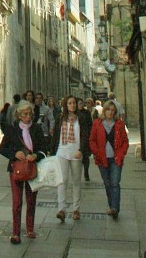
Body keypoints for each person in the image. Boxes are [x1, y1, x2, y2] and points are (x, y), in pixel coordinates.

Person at [0, 99, 49, 244]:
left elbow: (44, 149)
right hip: (16, 169)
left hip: (32, 169)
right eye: (25, 114)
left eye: (30, 114)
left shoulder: (37, 129)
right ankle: (15, 232)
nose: (28, 116)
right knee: (17, 202)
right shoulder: (12, 129)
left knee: (31, 200)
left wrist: (36, 155)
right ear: (19, 115)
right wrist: (14, 154)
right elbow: (2, 148)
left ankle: (30, 229)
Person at [51, 94, 89, 222]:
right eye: (70, 103)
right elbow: (56, 134)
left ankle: (76, 209)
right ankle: (61, 209)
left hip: (76, 152)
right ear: (66, 105)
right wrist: (52, 151)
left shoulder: (81, 118)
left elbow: (85, 135)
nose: (72, 105)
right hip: (62, 151)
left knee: (76, 181)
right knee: (62, 180)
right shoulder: (61, 118)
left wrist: (81, 150)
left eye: (74, 103)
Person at [89, 99, 129, 219]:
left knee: (115, 183)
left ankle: (114, 208)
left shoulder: (119, 124)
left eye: (112, 110)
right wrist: (96, 153)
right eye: (108, 110)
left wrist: (121, 154)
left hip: (116, 159)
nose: (110, 112)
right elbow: (92, 140)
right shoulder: (97, 123)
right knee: (107, 183)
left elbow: (125, 142)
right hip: (102, 159)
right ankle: (112, 205)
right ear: (104, 111)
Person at [77, 98, 93, 181]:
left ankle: (86, 172)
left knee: (86, 157)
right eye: (79, 103)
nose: (81, 105)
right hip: (76, 138)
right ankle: (78, 174)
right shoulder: (74, 113)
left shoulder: (86, 113)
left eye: (81, 103)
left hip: (85, 137)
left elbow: (90, 124)